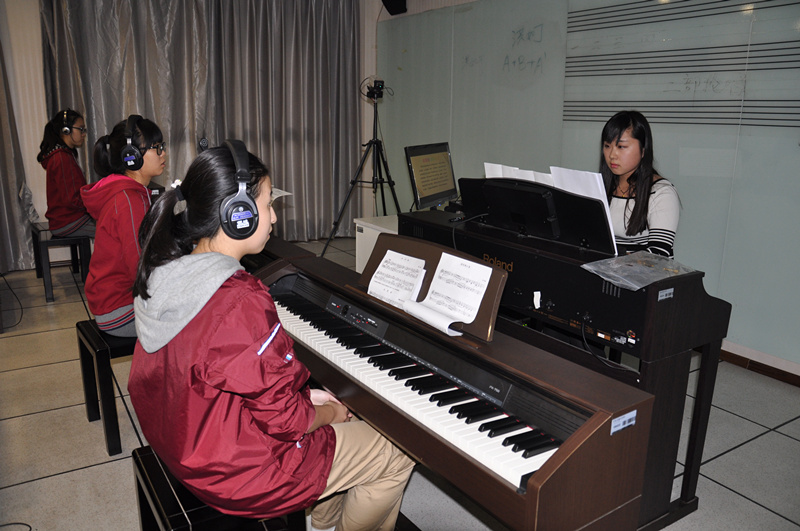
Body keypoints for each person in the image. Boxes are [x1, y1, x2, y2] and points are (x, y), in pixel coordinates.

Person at [128, 141, 415, 531]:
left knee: (335, 416)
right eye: (268, 204)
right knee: (395, 452)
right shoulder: (238, 299)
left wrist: (311, 400)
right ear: (238, 215)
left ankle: (326, 516)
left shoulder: (166, 271)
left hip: (186, 443)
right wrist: (330, 413)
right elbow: (288, 423)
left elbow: (232, 381)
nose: (275, 217)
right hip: (238, 473)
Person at [80, 115, 166, 336]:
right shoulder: (128, 200)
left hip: (116, 301)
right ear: (131, 156)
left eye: (162, 146)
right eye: (156, 148)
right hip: (120, 309)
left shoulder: (131, 193)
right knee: (199, 313)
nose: (163, 153)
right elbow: (139, 265)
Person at [599, 110, 680, 257]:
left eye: (621, 146)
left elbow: (659, 253)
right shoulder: (600, 186)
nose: (612, 155)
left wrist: (611, 259)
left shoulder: (661, 192)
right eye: (607, 146)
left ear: (643, 150)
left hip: (641, 272)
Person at [36, 109, 95, 238]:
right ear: (66, 130)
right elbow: (72, 200)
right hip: (68, 221)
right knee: (113, 230)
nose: (84, 134)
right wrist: (94, 204)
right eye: (81, 129)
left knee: (111, 223)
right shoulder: (61, 158)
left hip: (69, 218)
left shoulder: (64, 155)